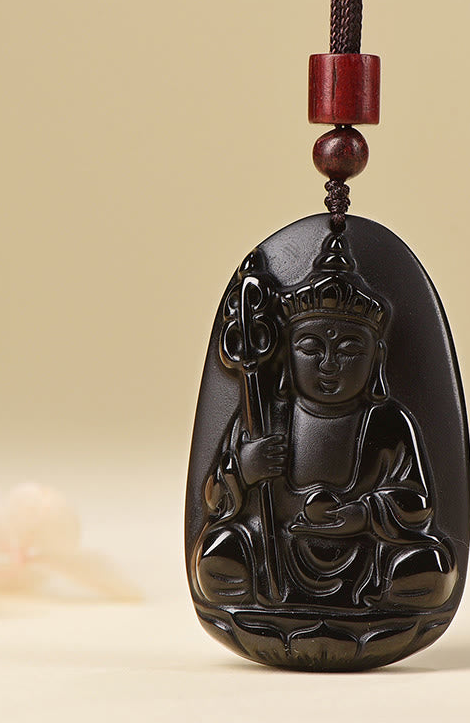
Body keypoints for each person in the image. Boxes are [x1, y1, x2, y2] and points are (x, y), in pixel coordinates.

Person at [193, 234, 456, 611]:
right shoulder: (266, 416)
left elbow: (418, 504)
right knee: (217, 554)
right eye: (310, 347)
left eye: (349, 349)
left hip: (366, 564)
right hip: (277, 554)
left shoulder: (389, 423)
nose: (329, 364)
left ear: (377, 358)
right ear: (286, 354)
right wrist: (245, 470)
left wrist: (362, 515)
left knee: (433, 567)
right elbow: (216, 499)